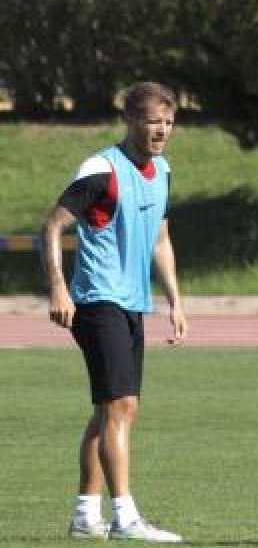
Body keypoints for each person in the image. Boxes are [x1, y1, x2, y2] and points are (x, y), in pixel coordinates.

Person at [41, 81, 187, 543]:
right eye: (152, 121)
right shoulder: (101, 169)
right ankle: (125, 517)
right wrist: (59, 290)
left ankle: (87, 515)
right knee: (119, 405)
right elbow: (51, 226)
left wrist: (175, 301)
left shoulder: (161, 171)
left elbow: (161, 240)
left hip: (131, 302)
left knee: (114, 409)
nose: (161, 130)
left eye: (168, 122)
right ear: (129, 120)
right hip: (97, 299)